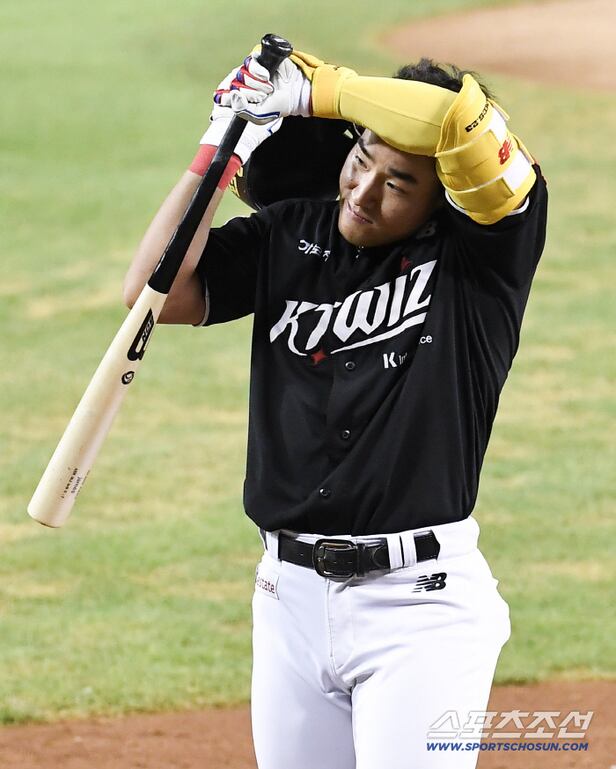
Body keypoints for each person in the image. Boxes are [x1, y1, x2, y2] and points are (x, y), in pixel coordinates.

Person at [124, 48, 547, 769]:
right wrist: (219, 152)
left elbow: (458, 118)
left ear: (440, 196)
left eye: (398, 183)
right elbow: (152, 294)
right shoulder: (292, 234)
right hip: (287, 599)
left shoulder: (484, 259)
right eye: (362, 159)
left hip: (419, 610)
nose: (364, 191)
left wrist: (319, 91)